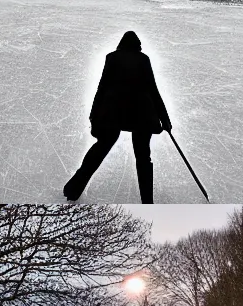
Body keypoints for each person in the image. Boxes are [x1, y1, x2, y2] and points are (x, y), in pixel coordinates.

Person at [63, 31, 174, 202]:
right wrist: (164, 119)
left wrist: (94, 116)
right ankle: (147, 201)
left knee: (101, 147)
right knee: (143, 156)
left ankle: (73, 188)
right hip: (141, 114)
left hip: (114, 113)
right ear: (137, 45)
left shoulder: (112, 58)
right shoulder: (143, 59)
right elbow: (153, 89)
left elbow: (101, 88)